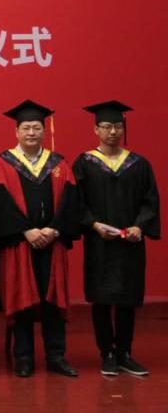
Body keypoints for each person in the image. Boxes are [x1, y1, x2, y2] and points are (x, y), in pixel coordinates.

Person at [0, 100, 79, 378]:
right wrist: (26, 231)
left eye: (36, 128)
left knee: (53, 302)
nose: (31, 133)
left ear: (44, 131)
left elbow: (70, 201)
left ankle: (56, 356)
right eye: (26, 128)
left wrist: (55, 230)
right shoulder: (1, 164)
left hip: (52, 242)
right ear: (16, 131)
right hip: (19, 244)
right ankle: (24, 357)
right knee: (22, 300)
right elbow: (0, 203)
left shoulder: (59, 163)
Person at [73, 100, 160, 376]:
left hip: (130, 243)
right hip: (99, 242)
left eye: (117, 126)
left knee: (127, 298)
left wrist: (140, 226)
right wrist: (93, 224)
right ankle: (107, 353)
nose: (113, 131)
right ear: (96, 129)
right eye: (107, 126)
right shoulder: (85, 163)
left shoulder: (138, 164)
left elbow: (150, 201)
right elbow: (77, 202)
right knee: (101, 299)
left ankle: (124, 352)